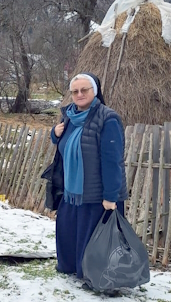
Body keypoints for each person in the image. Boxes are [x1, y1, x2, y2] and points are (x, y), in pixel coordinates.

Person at [50, 72, 128, 290]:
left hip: (97, 194)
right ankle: (73, 266)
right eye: (75, 91)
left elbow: (113, 161)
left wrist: (111, 197)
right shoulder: (69, 117)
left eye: (85, 90)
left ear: (95, 91)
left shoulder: (107, 118)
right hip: (72, 191)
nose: (79, 94)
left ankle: (98, 277)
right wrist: (54, 134)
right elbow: (65, 144)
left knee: (96, 239)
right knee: (71, 231)